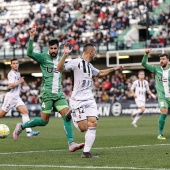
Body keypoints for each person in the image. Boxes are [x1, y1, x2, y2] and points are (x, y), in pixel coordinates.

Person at [13, 27, 84, 152]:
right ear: (48, 48)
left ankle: (71, 143)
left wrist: (66, 54)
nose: (53, 50)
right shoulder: (43, 58)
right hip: (47, 94)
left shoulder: (61, 59)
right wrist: (31, 37)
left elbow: (64, 67)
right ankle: (22, 126)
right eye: (51, 48)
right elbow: (29, 53)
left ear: (58, 48)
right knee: (44, 121)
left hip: (59, 95)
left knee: (67, 116)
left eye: (55, 48)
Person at [57, 43, 123, 158]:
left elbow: (100, 73)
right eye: (95, 51)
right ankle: (72, 112)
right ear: (91, 52)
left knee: (93, 123)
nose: (96, 54)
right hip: (77, 99)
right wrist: (65, 55)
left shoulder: (89, 66)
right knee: (83, 128)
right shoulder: (76, 62)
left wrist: (114, 68)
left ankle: (86, 152)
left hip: (89, 98)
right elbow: (59, 68)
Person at [0, 58, 40, 137]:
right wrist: (19, 82)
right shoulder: (11, 74)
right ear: (11, 65)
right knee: (1, 115)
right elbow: (10, 86)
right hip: (10, 98)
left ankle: (29, 132)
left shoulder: (17, 73)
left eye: (17, 63)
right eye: (14, 63)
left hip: (16, 97)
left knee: (25, 112)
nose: (15, 65)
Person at [142, 49, 170, 140]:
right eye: (160, 59)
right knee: (164, 111)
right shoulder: (156, 69)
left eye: (163, 59)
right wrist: (146, 54)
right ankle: (160, 134)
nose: (161, 61)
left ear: (168, 60)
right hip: (163, 98)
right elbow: (144, 64)